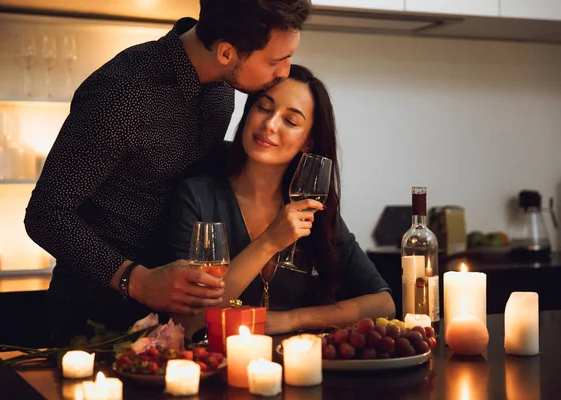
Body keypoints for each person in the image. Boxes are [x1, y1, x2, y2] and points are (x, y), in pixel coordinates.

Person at [24, 0, 311, 345]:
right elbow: (45, 215)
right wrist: (139, 280)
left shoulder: (222, 87)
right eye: (275, 61)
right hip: (97, 310)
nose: (284, 71)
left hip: (179, 311)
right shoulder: (123, 94)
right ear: (226, 53)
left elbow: (192, 165)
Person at [167, 65, 395, 335]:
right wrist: (269, 242)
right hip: (214, 365)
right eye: (264, 107)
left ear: (307, 142)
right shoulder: (197, 197)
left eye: (291, 121)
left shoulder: (313, 209)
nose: (270, 124)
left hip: (297, 368)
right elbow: (186, 322)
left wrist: (291, 320)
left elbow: (383, 304)